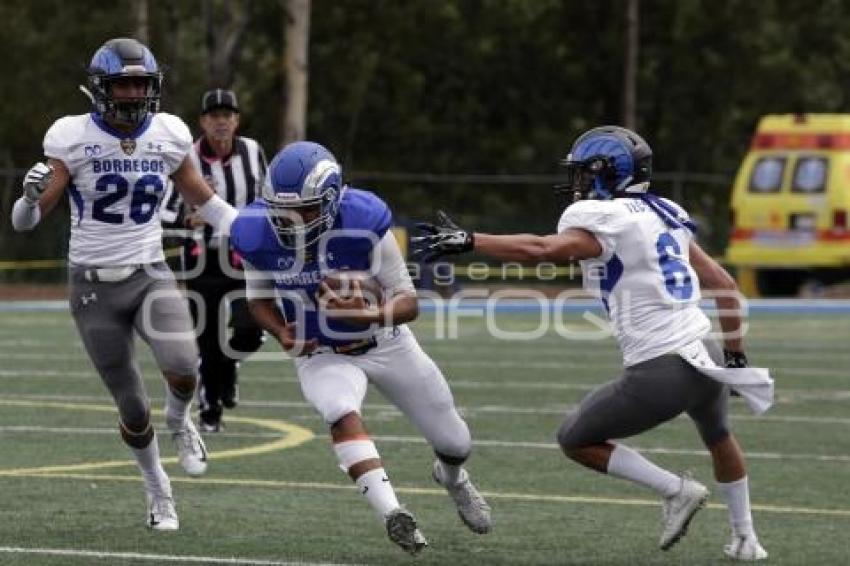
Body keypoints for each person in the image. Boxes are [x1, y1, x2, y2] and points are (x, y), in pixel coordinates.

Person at [412, 126, 770, 561]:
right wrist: (733, 357)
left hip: (662, 368)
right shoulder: (663, 211)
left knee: (575, 438)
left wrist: (471, 241)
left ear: (605, 174)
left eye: (583, 173)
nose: (577, 183)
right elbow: (725, 285)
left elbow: (544, 249)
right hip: (705, 352)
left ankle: (675, 490)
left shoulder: (607, 221)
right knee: (719, 436)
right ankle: (746, 538)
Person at [10, 38, 239, 530]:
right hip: (93, 286)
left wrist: (251, 233)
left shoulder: (169, 132)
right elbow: (25, 223)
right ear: (100, 88)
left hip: (149, 273)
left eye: (142, 84)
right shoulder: (70, 136)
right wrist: (28, 199)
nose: (135, 94)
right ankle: (159, 490)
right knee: (133, 407)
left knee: (184, 367)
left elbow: (206, 201)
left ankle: (181, 422)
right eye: (124, 84)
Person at [227, 141, 492, 555]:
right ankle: (392, 513)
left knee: (456, 444)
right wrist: (282, 333)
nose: (292, 221)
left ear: (332, 200)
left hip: (386, 342)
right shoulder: (256, 232)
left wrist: (367, 316)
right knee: (339, 410)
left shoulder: (364, 221)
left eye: (306, 210)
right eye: (283, 211)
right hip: (321, 352)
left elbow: (408, 301)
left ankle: (453, 479)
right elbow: (258, 301)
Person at [161, 88, 266, 432]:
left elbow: (268, 199)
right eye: (214, 116)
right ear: (202, 121)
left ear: (237, 120)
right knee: (206, 337)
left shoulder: (253, 151)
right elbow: (162, 211)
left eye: (228, 115)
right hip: (201, 258)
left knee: (251, 330)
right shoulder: (185, 156)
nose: (221, 122)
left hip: (244, 256)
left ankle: (229, 367)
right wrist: (189, 219)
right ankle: (210, 412)